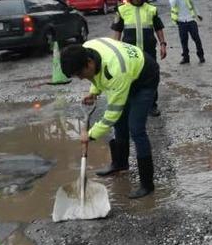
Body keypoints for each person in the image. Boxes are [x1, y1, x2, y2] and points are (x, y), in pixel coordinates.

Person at [60, 38, 161, 199]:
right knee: (120, 123)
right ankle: (120, 164)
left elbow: (112, 113)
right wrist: (94, 91)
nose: (80, 78)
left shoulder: (115, 71)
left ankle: (147, 184)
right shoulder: (86, 49)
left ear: (89, 62)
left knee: (136, 128)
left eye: (80, 74)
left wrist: (91, 135)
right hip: (127, 71)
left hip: (144, 78)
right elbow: (98, 76)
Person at [112, 0, 167, 116]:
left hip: (148, 52)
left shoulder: (151, 9)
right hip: (129, 53)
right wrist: (115, 51)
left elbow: (158, 28)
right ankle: (132, 105)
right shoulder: (122, 10)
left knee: (151, 79)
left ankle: (152, 105)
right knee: (130, 79)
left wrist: (163, 44)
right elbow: (117, 31)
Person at [168, 0, 205, 64]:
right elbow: (173, 4)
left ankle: (201, 56)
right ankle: (186, 57)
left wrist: (198, 14)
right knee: (184, 41)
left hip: (191, 19)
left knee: (196, 39)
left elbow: (193, 4)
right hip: (181, 21)